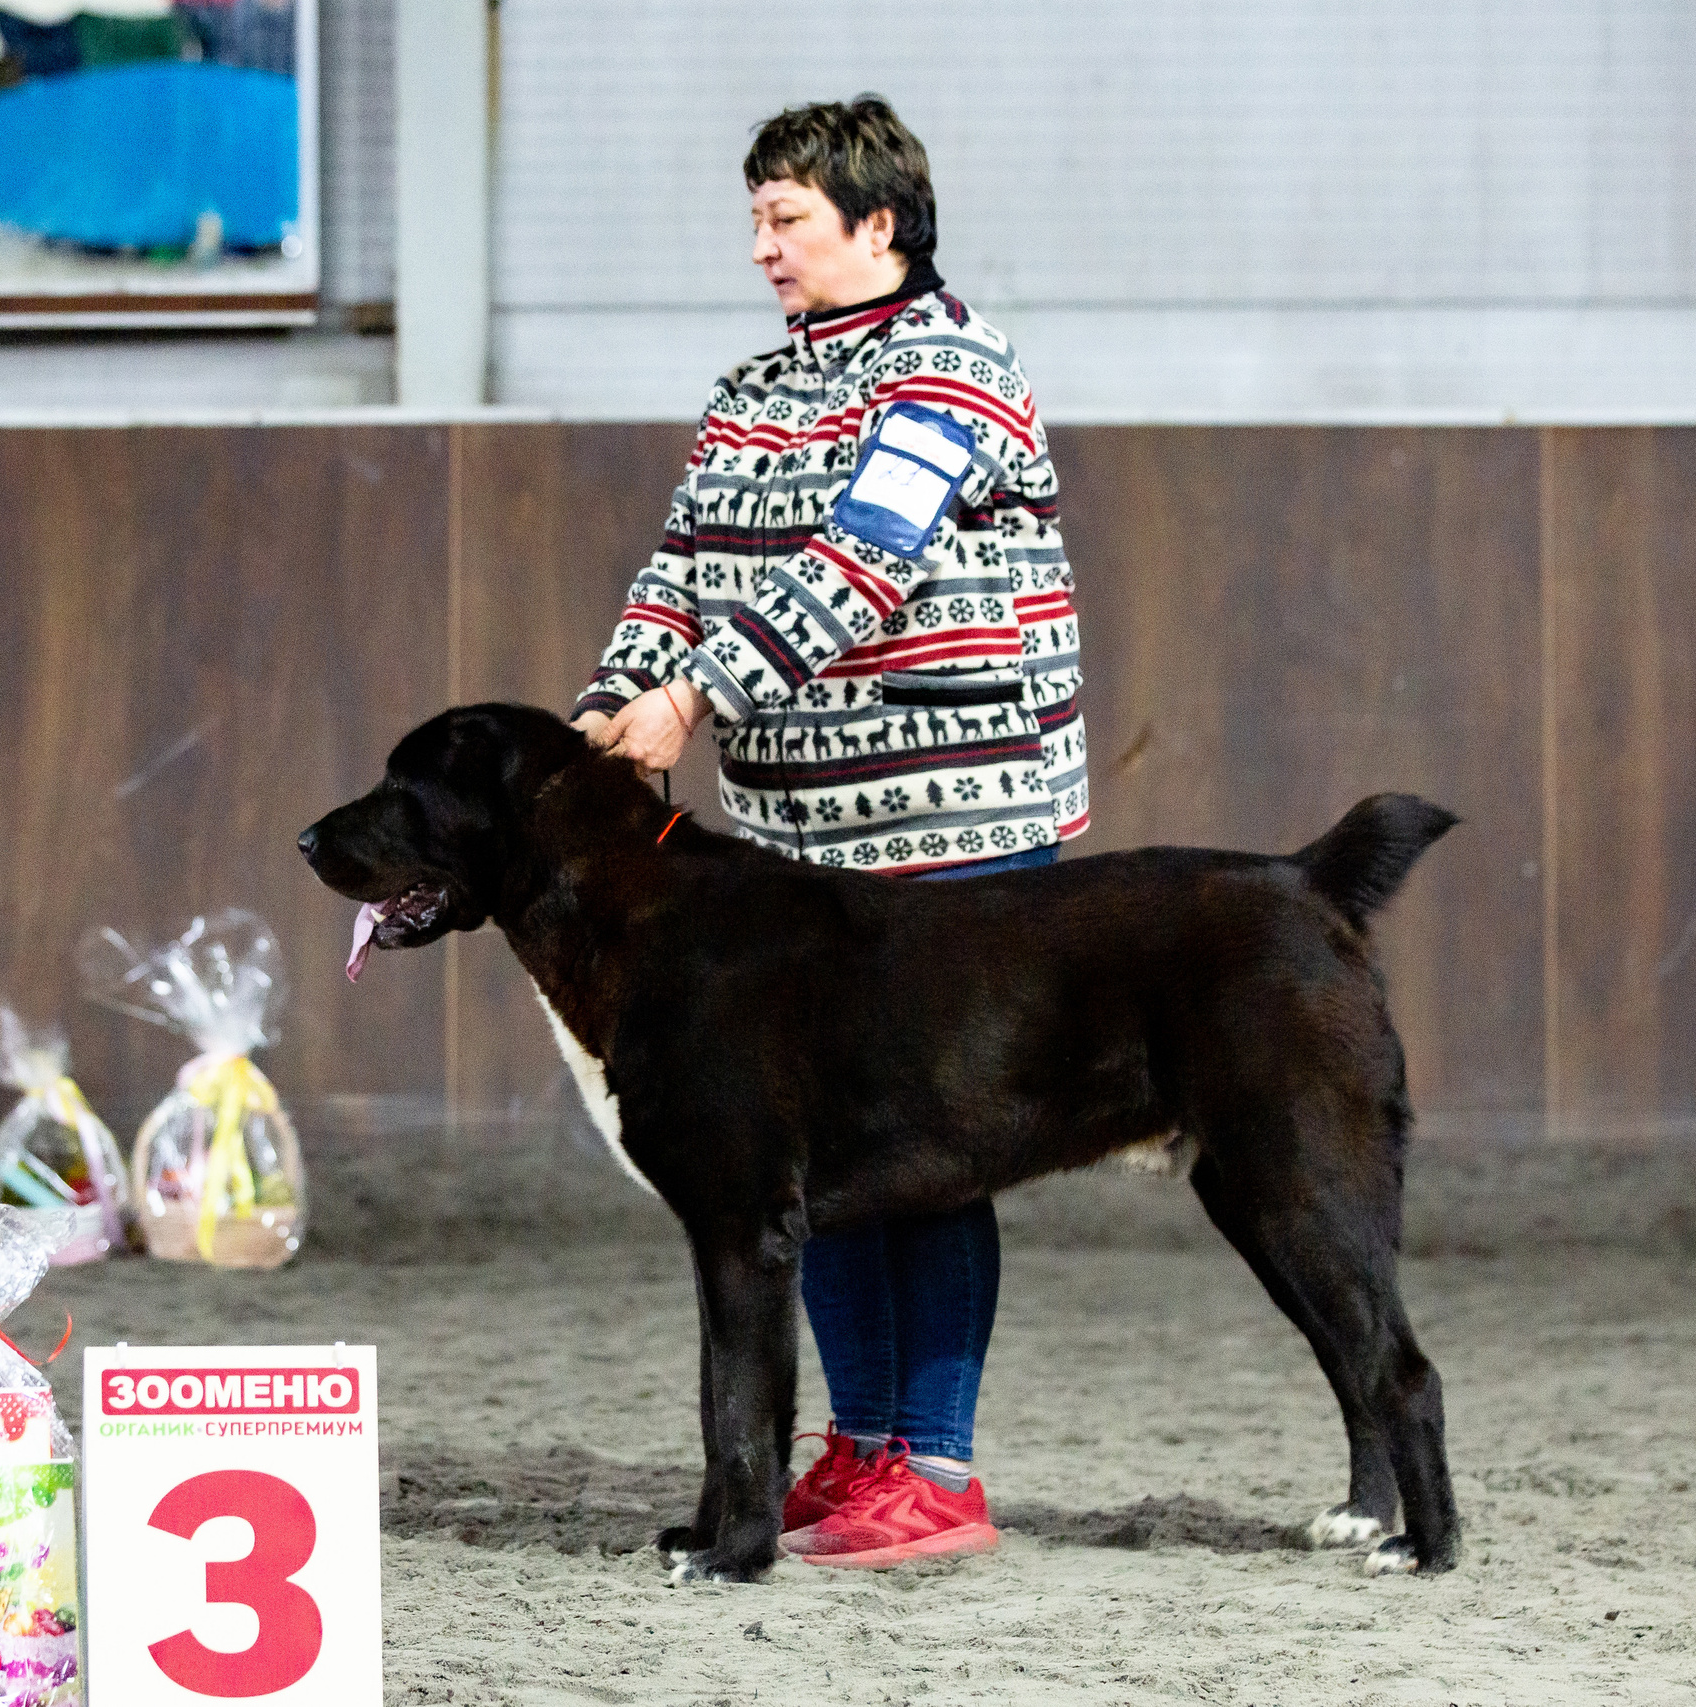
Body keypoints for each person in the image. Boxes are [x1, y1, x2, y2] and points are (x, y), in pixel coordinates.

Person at [573, 94, 1089, 1570]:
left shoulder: (958, 372)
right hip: (796, 836)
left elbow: (862, 556)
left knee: (938, 1142)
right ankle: (859, 1445)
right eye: (755, 219)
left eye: (786, 220)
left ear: (880, 225)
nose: (760, 249)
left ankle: (940, 1463)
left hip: (960, 825)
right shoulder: (750, 390)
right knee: (814, 1153)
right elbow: (678, 566)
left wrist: (697, 696)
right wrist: (609, 706)